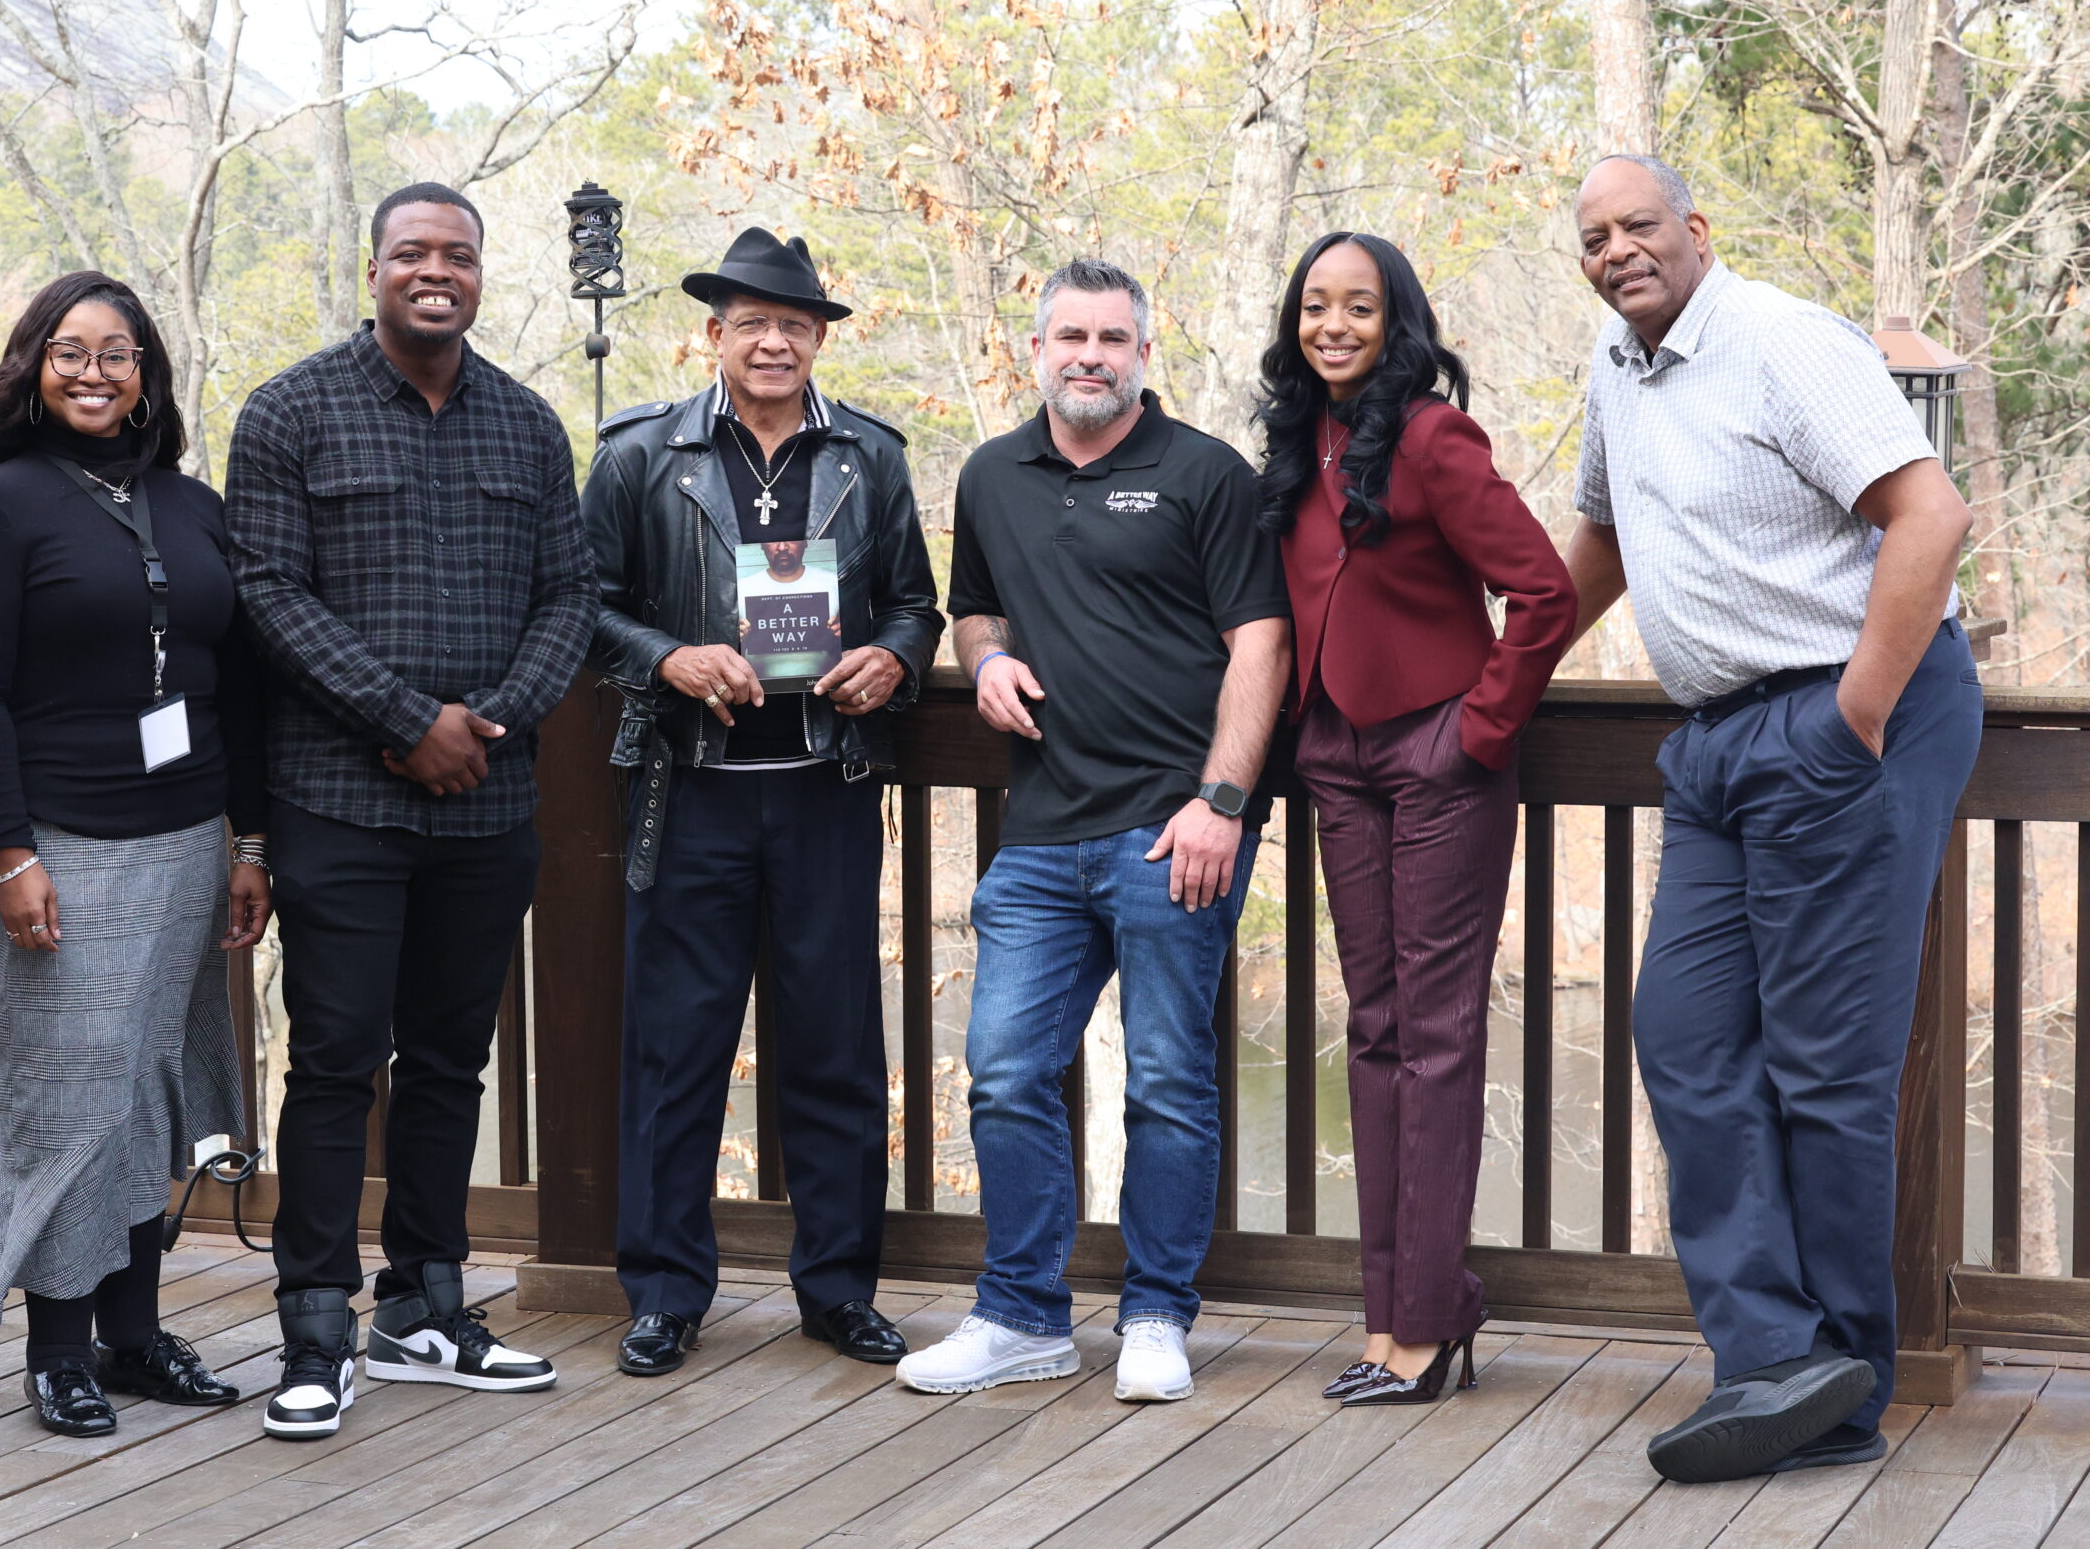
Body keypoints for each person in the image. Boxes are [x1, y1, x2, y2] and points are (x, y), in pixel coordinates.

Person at [1565, 155, 1981, 1482]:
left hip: (1844, 713)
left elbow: (1933, 514)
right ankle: (1776, 1354)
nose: (1619, 248)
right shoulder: (1617, 369)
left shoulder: (1781, 341)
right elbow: (1601, 539)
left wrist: (1853, 715)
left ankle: (1840, 1384)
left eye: (1640, 224)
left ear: (1697, 227)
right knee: (1682, 1032)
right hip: (1719, 742)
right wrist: (1487, 671)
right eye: (1594, 235)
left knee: (1824, 1065)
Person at [227, 181, 596, 1438]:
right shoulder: (290, 414)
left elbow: (571, 594)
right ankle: (314, 1333)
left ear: (482, 274)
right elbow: (268, 595)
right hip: (339, 803)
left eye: (458, 254)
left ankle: (424, 1309)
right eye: (411, 253)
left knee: (450, 1062)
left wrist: (484, 724)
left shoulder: (529, 428)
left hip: (486, 808)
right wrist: (403, 720)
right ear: (372, 267)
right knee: (336, 1065)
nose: (435, 271)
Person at [898, 259, 1291, 1403]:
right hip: (1037, 834)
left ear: (1142, 355)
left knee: (1168, 1082)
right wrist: (985, 660)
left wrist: (1221, 803)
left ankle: (1157, 1318)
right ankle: (1020, 1317)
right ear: (1034, 350)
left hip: (1172, 831)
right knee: (1005, 1071)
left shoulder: (1204, 475)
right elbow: (972, 605)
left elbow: (1260, 645)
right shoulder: (991, 474)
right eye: (1069, 336)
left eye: (1112, 339)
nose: (1089, 355)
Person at [582, 227, 944, 1377]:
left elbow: (914, 607)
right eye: (752, 323)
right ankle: (664, 1292)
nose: (774, 341)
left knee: (836, 1052)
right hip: (690, 794)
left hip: (825, 792)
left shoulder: (869, 458)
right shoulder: (642, 455)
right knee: (676, 1053)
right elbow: (583, 605)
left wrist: (890, 658)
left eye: (795, 323)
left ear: (820, 337)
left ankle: (838, 1291)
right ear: (715, 337)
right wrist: (669, 658)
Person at [0, 271, 268, 1439]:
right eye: (69, 352)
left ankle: (133, 1336)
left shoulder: (191, 501)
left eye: (117, 352)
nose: (93, 371)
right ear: (33, 365)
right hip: (62, 842)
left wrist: (248, 840)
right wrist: (11, 851)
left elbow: (233, 682)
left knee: (150, 1088)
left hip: (185, 838)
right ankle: (58, 1349)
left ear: (148, 375)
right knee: (68, 1097)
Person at [1256, 233, 1576, 1407]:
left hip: (1438, 753)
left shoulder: (1436, 437)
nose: (1334, 325)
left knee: (1436, 1036)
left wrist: (1479, 731)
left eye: (1359, 307)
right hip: (1333, 755)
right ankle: (1392, 1312)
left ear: (1398, 321)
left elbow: (1542, 587)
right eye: (1315, 307)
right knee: (1375, 1028)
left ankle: (1429, 1327)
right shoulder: (1300, 443)